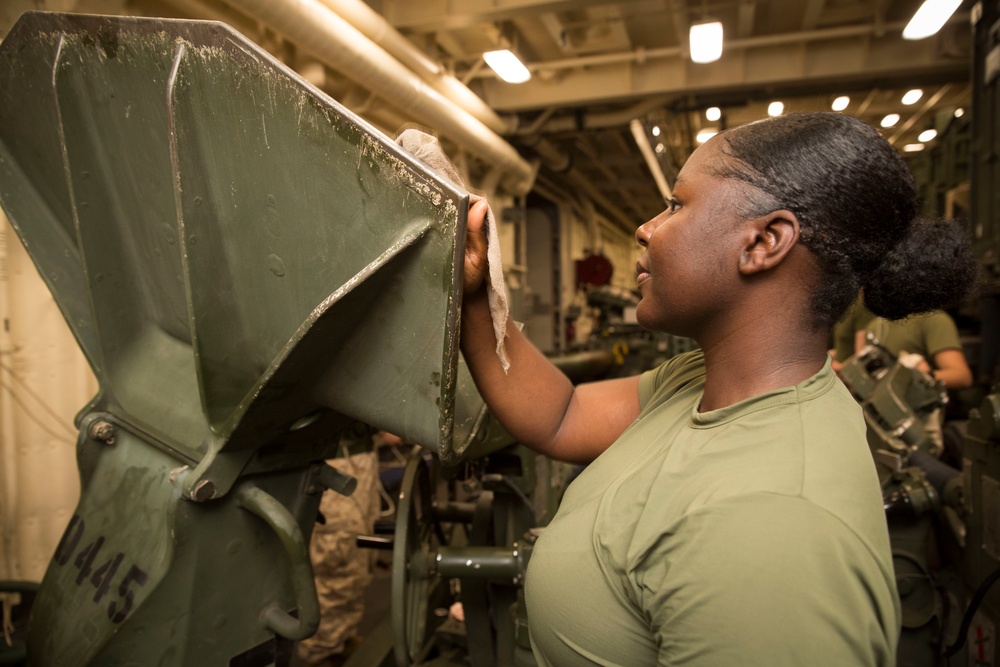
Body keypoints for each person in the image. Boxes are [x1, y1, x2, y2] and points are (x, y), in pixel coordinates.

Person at [459, 112, 978, 665]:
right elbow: (562, 414)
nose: (646, 227)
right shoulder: (703, 381)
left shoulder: (771, 526)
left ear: (764, 242)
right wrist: (473, 295)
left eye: (678, 205)